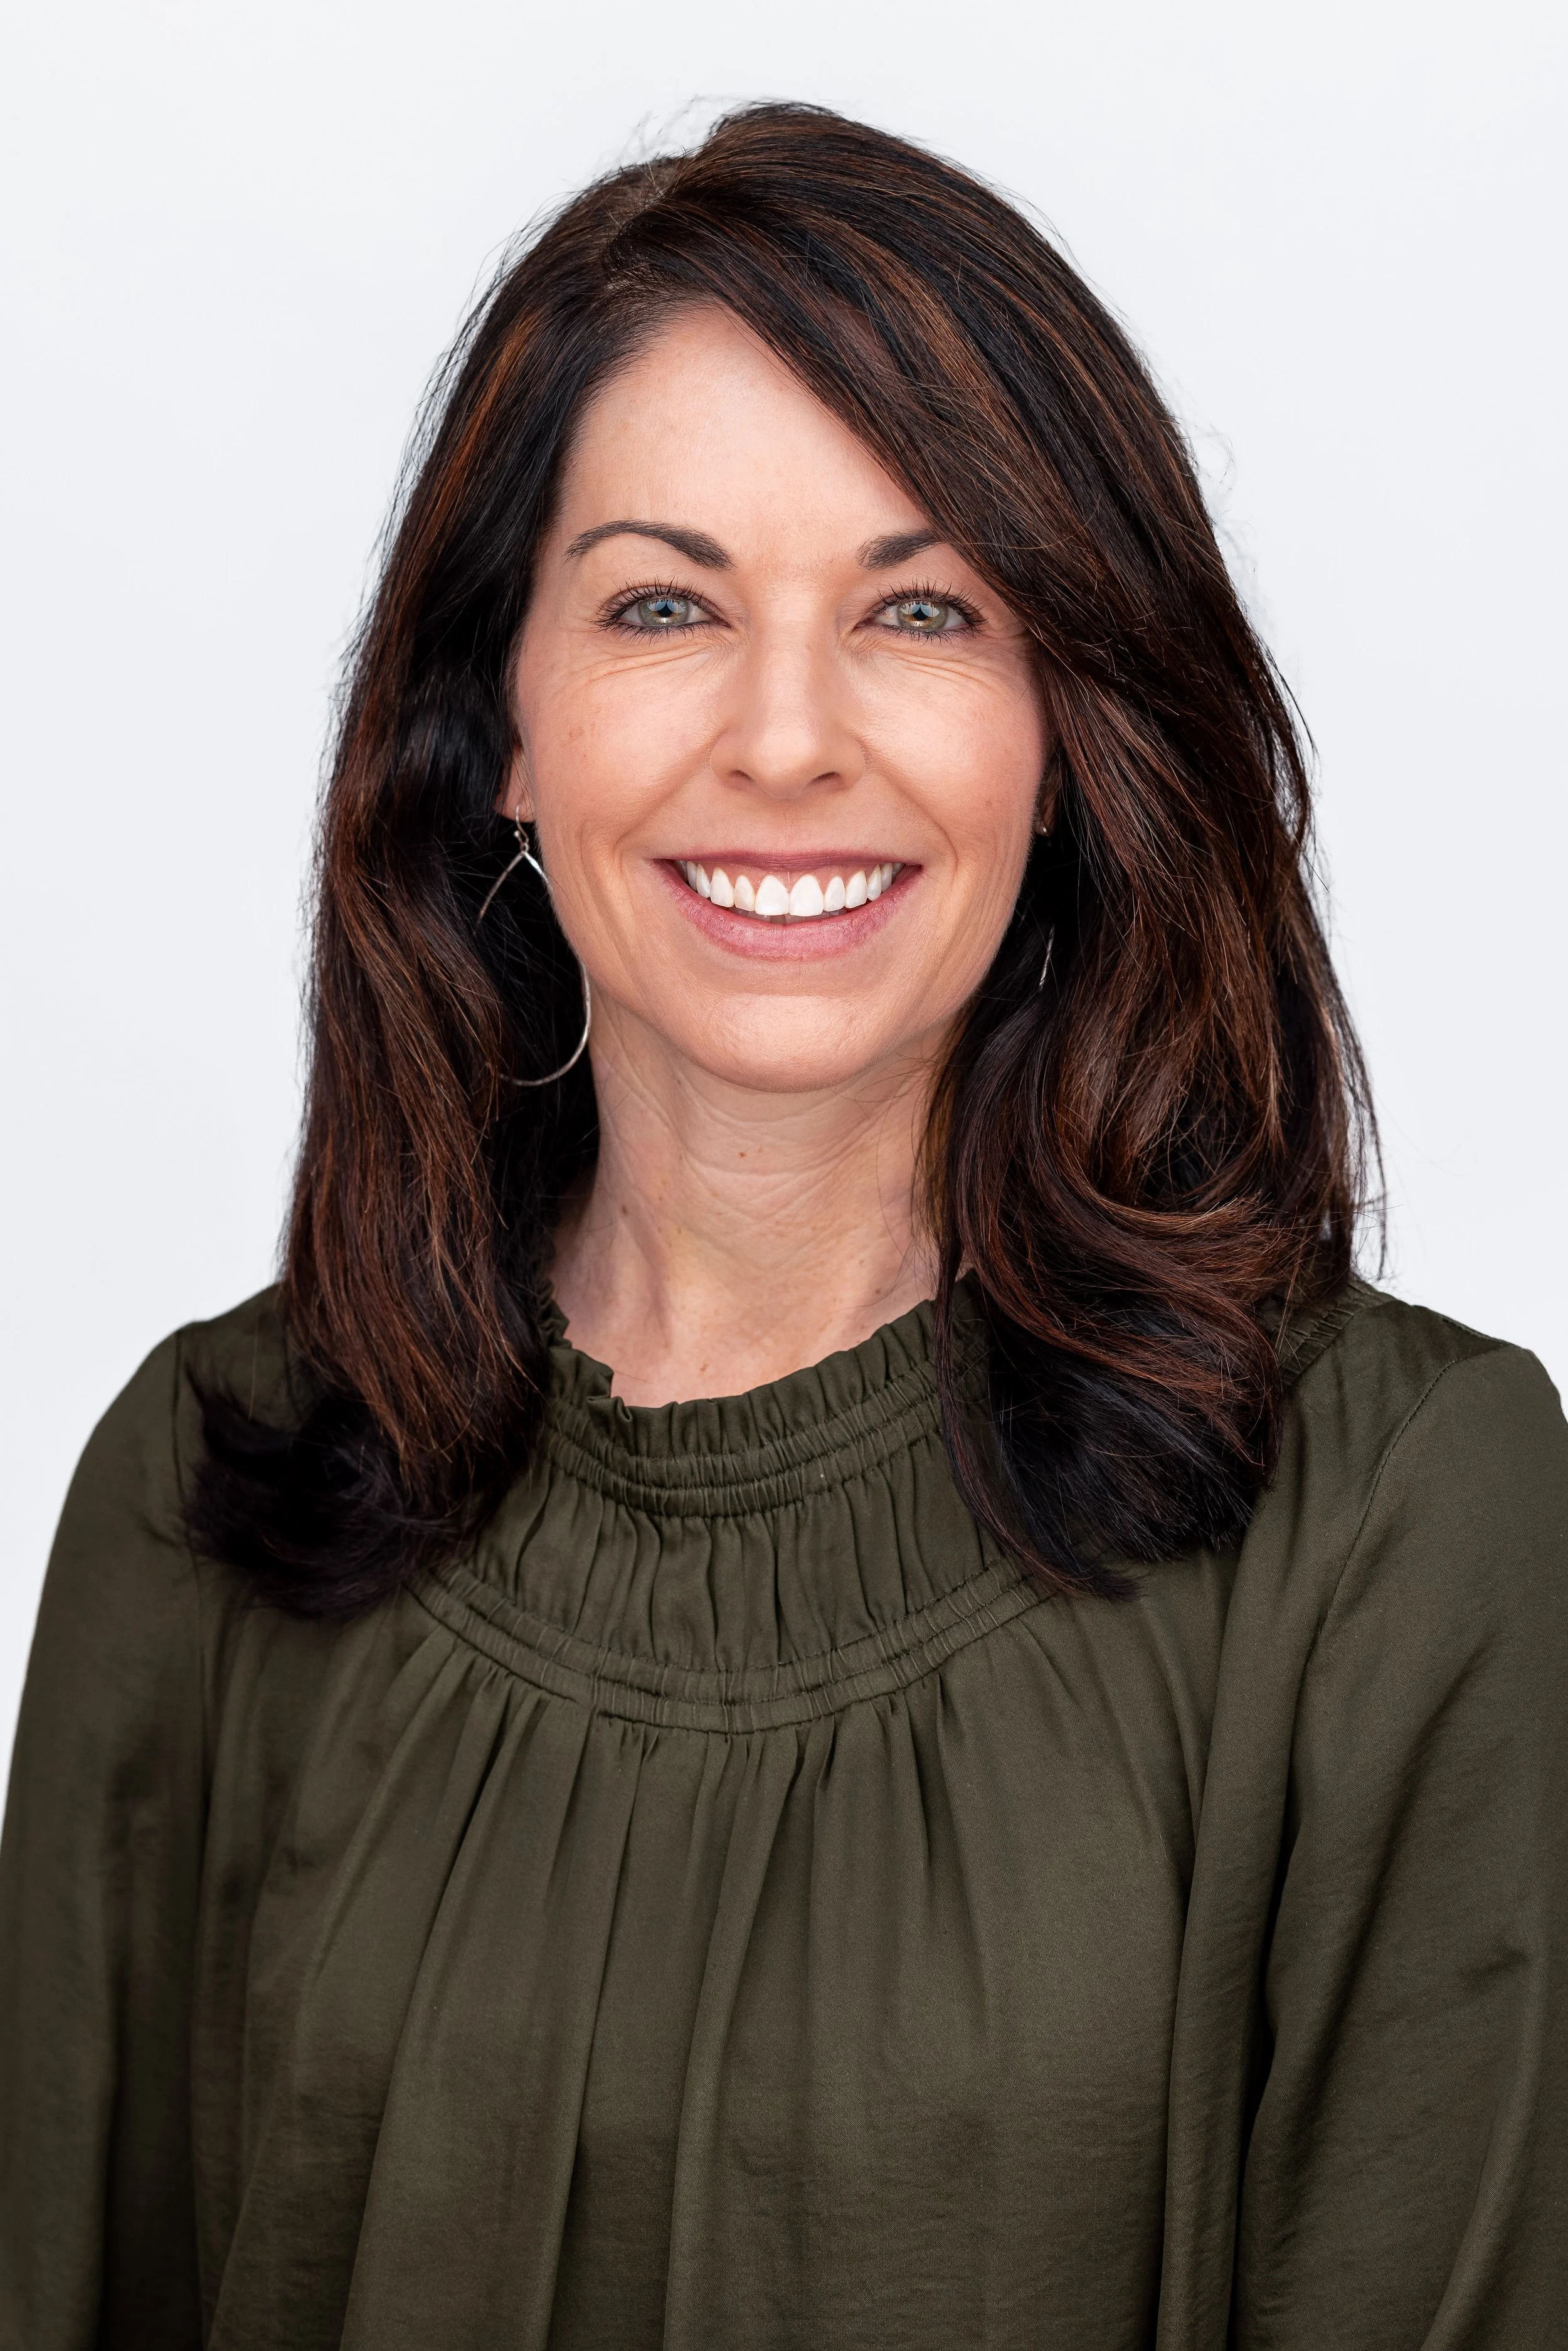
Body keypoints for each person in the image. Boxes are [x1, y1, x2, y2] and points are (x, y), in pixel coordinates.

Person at [1, 102, 1563, 2351]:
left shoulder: (1406, 1526)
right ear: (498, 728)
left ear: (1067, 725)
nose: (789, 735)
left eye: (922, 608)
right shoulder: (209, 1486)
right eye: (662, 603)